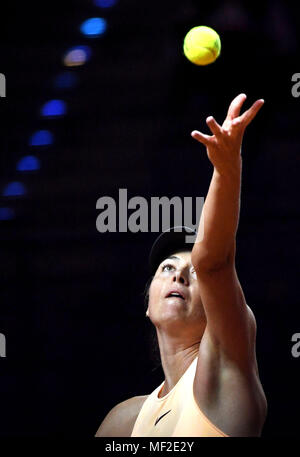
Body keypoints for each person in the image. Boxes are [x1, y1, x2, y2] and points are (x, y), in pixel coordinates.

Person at [95, 93, 267, 437]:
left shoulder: (227, 367)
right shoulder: (123, 422)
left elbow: (214, 262)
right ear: (147, 305)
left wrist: (227, 169)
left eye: (193, 273)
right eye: (167, 268)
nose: (180, 274)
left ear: (218, 305)